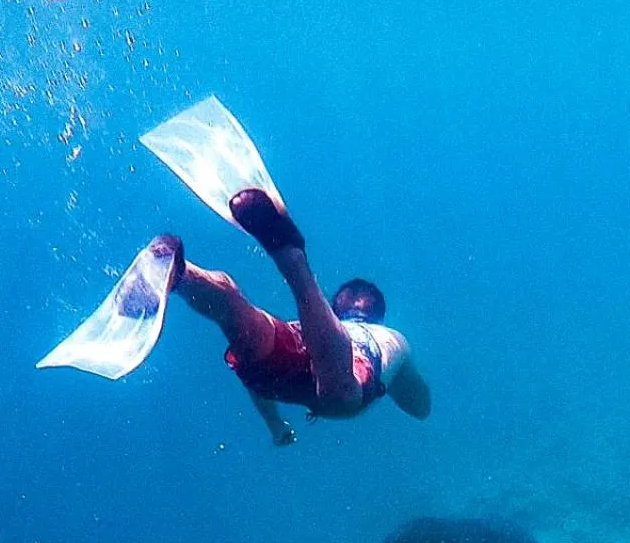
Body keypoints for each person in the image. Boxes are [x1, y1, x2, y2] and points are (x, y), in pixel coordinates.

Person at [149, 188, 430, 447]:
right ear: (376, 316)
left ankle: (180, 274)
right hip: (350, 359)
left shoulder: (321, 325)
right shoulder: (391, 338)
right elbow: (420, 407)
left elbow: (257, 386)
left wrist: (276, 424)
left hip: (304, 345)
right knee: (341, 394)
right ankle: (294, 264)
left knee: (249, 335)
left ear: (332, 311)